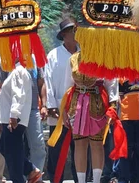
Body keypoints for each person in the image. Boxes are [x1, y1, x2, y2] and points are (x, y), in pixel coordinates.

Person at [53, 51, 118, 183]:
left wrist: (113, 105)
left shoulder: (104, 57)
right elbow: (68, 85)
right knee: (79, 144)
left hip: (98, 102)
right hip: (77, 104)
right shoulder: (73, 59)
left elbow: (111, 83)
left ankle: (96, 180)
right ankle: (81, 181)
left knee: (97, 144)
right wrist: (64, 110)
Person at [0, 59, 43, 183]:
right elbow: (6, 95)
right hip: (11, 118)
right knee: (5, 148)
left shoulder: (18, 72)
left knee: (12, 153)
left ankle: (20, 178)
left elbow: (18, 95)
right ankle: (30, 169)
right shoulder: (15, 71)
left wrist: (14, 115)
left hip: (14, 120)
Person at [0, 57, 47, 177]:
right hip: (12, 112)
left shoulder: (34, 59)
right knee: (7, 147)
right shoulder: (4, 60)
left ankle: (34, 176)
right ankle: (30, 172)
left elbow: (40, 83)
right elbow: (1, 87)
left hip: (30, 109)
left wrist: (44, 105)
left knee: (37, 144)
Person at [45, 19, 80, 183]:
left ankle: (80, 179)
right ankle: (55, 179)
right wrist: (51, 105)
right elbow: (48, 81)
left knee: (80, 150)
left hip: (81, 109)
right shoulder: (53, 55)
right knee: (56, 151)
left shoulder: (85, 53)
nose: (74, 33)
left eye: (75, 30)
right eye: (70, 30)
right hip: (58, 110)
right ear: (64, 34)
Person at [114, 80, 139, 183]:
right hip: (126, 117)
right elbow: (119, 97)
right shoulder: (122, 74)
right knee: (125, 151)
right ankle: (124, 178)